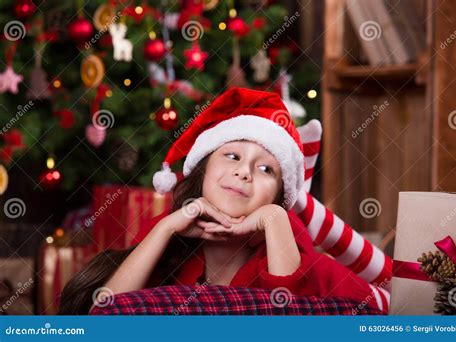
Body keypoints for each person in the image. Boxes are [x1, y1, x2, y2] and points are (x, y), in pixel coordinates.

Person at [59, 88, 381, 315]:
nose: (244, 172)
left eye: (266, 168)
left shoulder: (315, 269)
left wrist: (274, 219)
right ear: (203, 170)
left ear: (279, 197)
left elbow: (289, 319)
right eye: (232, 156)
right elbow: (107, 316)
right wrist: (168, 227)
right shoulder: (168, 259)